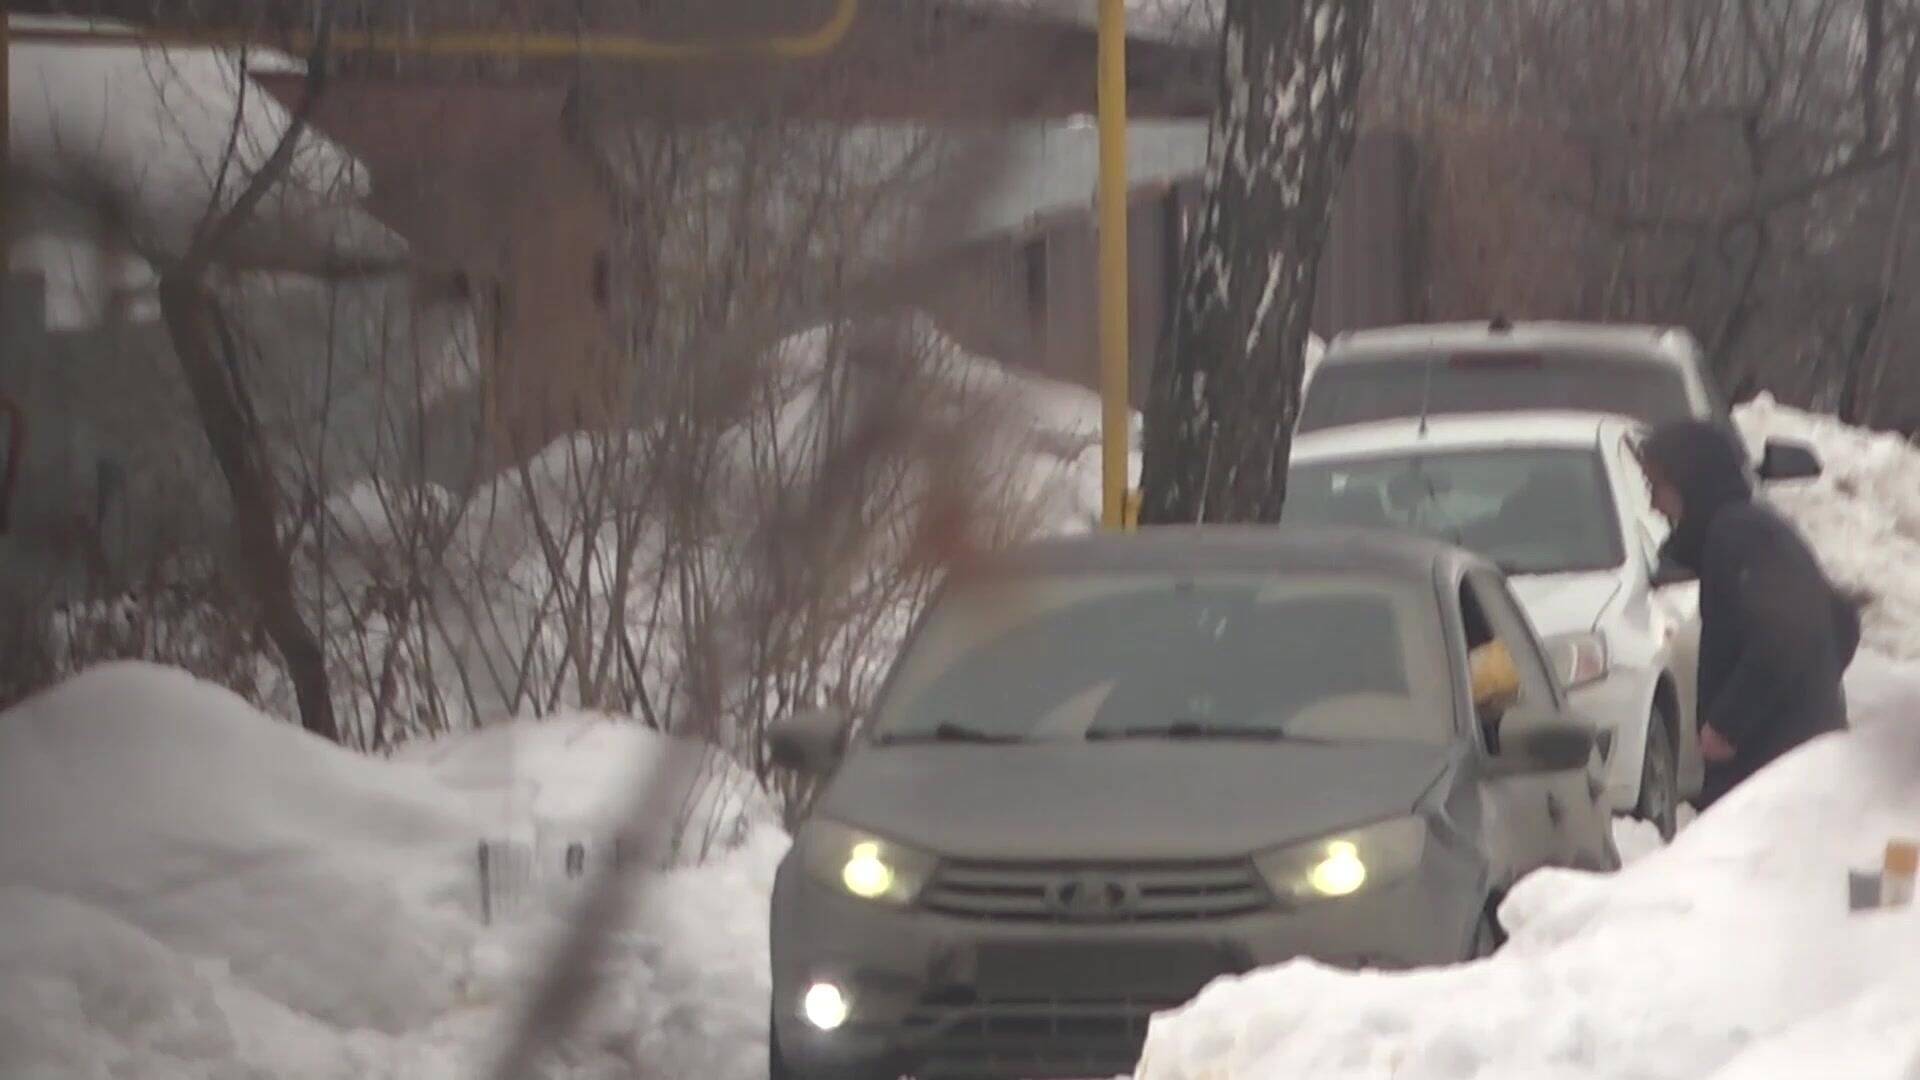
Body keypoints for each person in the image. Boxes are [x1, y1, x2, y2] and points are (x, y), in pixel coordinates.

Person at [1634, 419, 1861, 809]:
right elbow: (1841, 619)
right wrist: (1813, 696)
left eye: (1659, 488)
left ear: (1691, 483)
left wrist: (1729, 726)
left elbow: (1784, 634)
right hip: (1794, 765)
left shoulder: (1737, 535)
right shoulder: (1754, 529)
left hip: (1772, 778)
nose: (1654, 504)